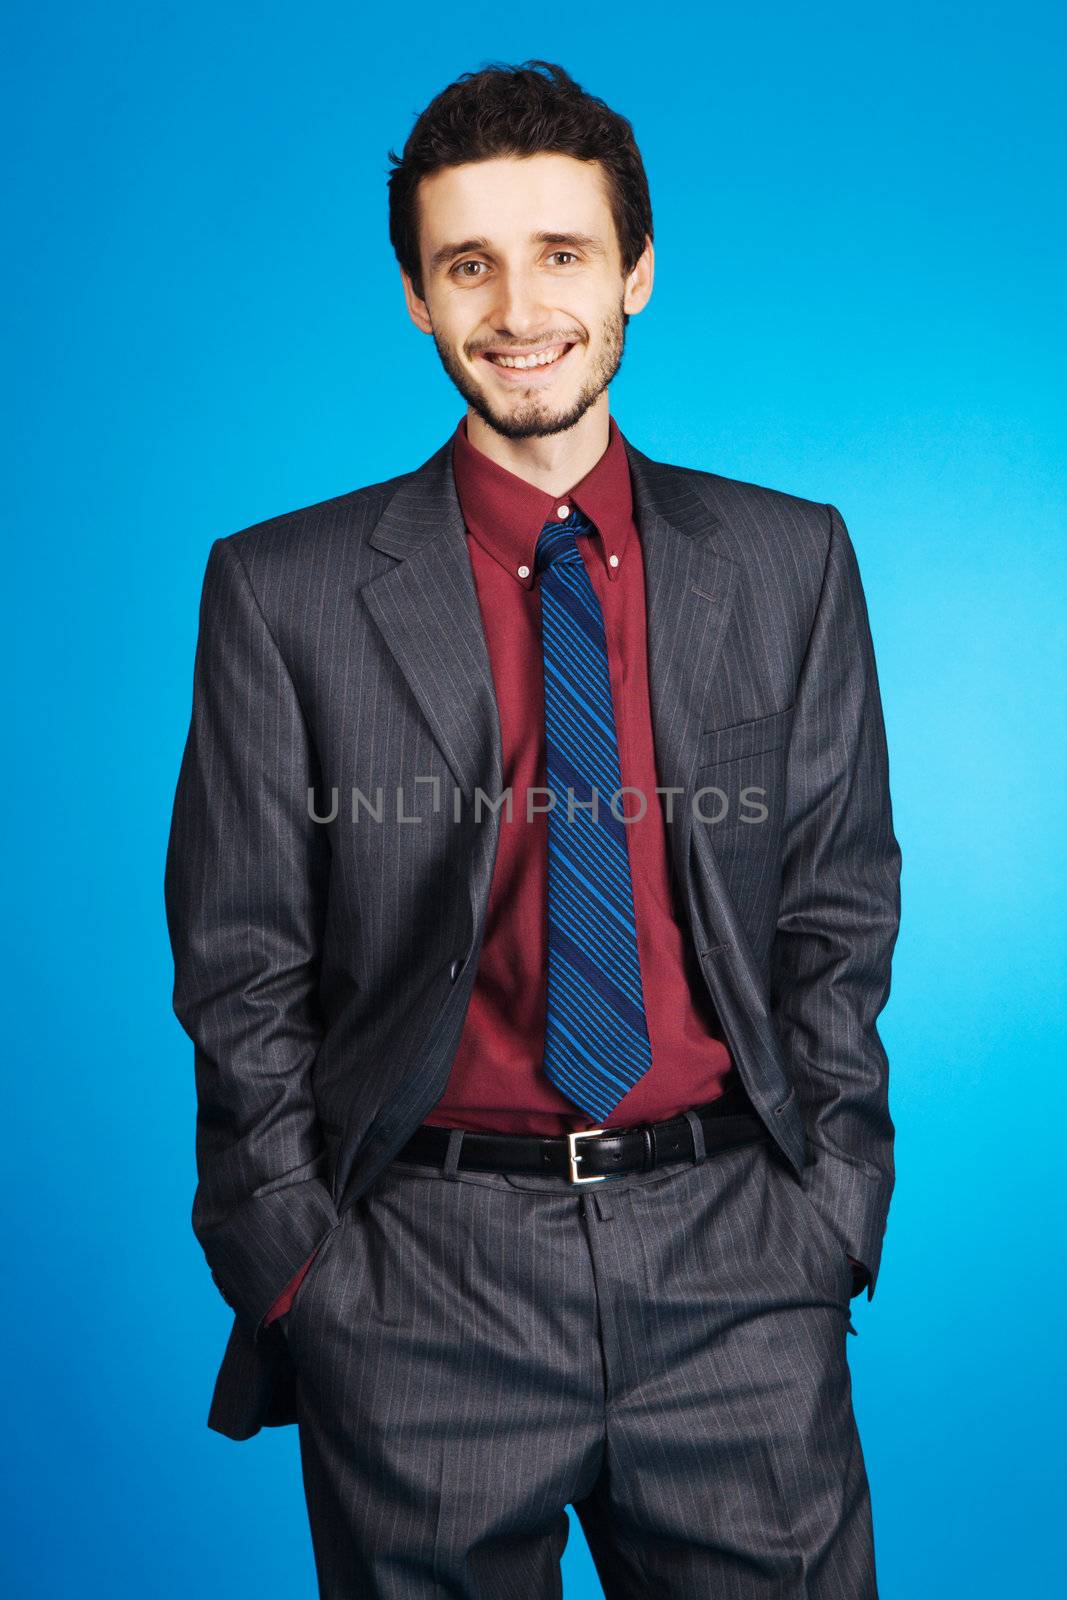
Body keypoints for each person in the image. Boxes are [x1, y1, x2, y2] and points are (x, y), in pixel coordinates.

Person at [164, 57, 901, 1599]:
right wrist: (303, 1269)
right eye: (468, 264)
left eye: (562, 253)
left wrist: (829, 1210)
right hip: (418, 1279)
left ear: (636, 269)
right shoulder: (281, 591)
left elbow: (836, 914)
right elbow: (239, 962)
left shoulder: (789, 563)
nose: (519, 307)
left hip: (737, 1268)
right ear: (417, 300)